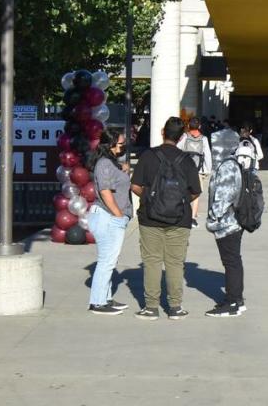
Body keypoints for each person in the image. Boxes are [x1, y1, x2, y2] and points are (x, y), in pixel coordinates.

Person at [130, 116, 202, 320]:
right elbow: (195, 191)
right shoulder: (187, 160)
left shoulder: (148, 156)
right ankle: (175, 307)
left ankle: (151, 307)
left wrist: (150, 199)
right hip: (180, 220)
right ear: (181, 138)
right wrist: (179, 201)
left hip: (149, 218)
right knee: (175, 263)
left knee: (152, 261)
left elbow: (135, 185)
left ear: (163, 132)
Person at [86, 129, 132, 315]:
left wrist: (123, 168)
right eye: (121, 144)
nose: (123, 147)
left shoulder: (109, 163)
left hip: (110, 216)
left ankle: (105, 297)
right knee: (107, 260)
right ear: (110, 144)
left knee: (110, 259)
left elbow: (115, 175)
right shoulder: (104, 163)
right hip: (107, 216)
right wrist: (118, 214)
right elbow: (105, 191)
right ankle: (97, 303)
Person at [205, 127, 248, 317]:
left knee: (231, 262)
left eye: (215, 144)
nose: (213, 148)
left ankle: (234, 301)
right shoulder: (228, 164)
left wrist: (214, 218)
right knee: (232, 261)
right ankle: (234, 298)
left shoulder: (227, 166)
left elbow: (224, 197)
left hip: (227, 224)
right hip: (229, 222)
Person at [177, 117, 212, 228]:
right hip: (197, 170)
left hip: (183, 170)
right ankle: (192, 218)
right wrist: (207, 170)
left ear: (188, 126)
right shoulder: (204, 139)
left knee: (182, 191)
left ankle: (181, 214)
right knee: (196, 193)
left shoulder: (185, 137)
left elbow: (177, 149)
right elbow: (207, 156)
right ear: (200, 126)